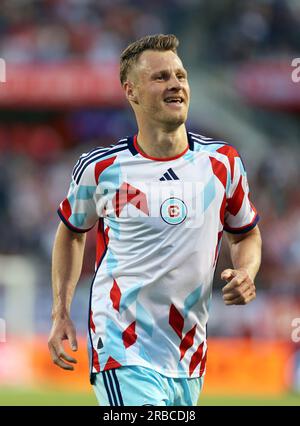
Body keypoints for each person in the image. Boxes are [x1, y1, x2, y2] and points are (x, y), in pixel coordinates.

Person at [48, 34, 262, 406]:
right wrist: (60, 313)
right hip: (121, 345)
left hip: (188, 354)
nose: (176, 84)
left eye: (180, 75)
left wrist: (247, 273)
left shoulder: (223, 163)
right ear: (131, 91)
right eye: (161, 77)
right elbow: (71, 234)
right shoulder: (101, 169)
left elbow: (246, 234)